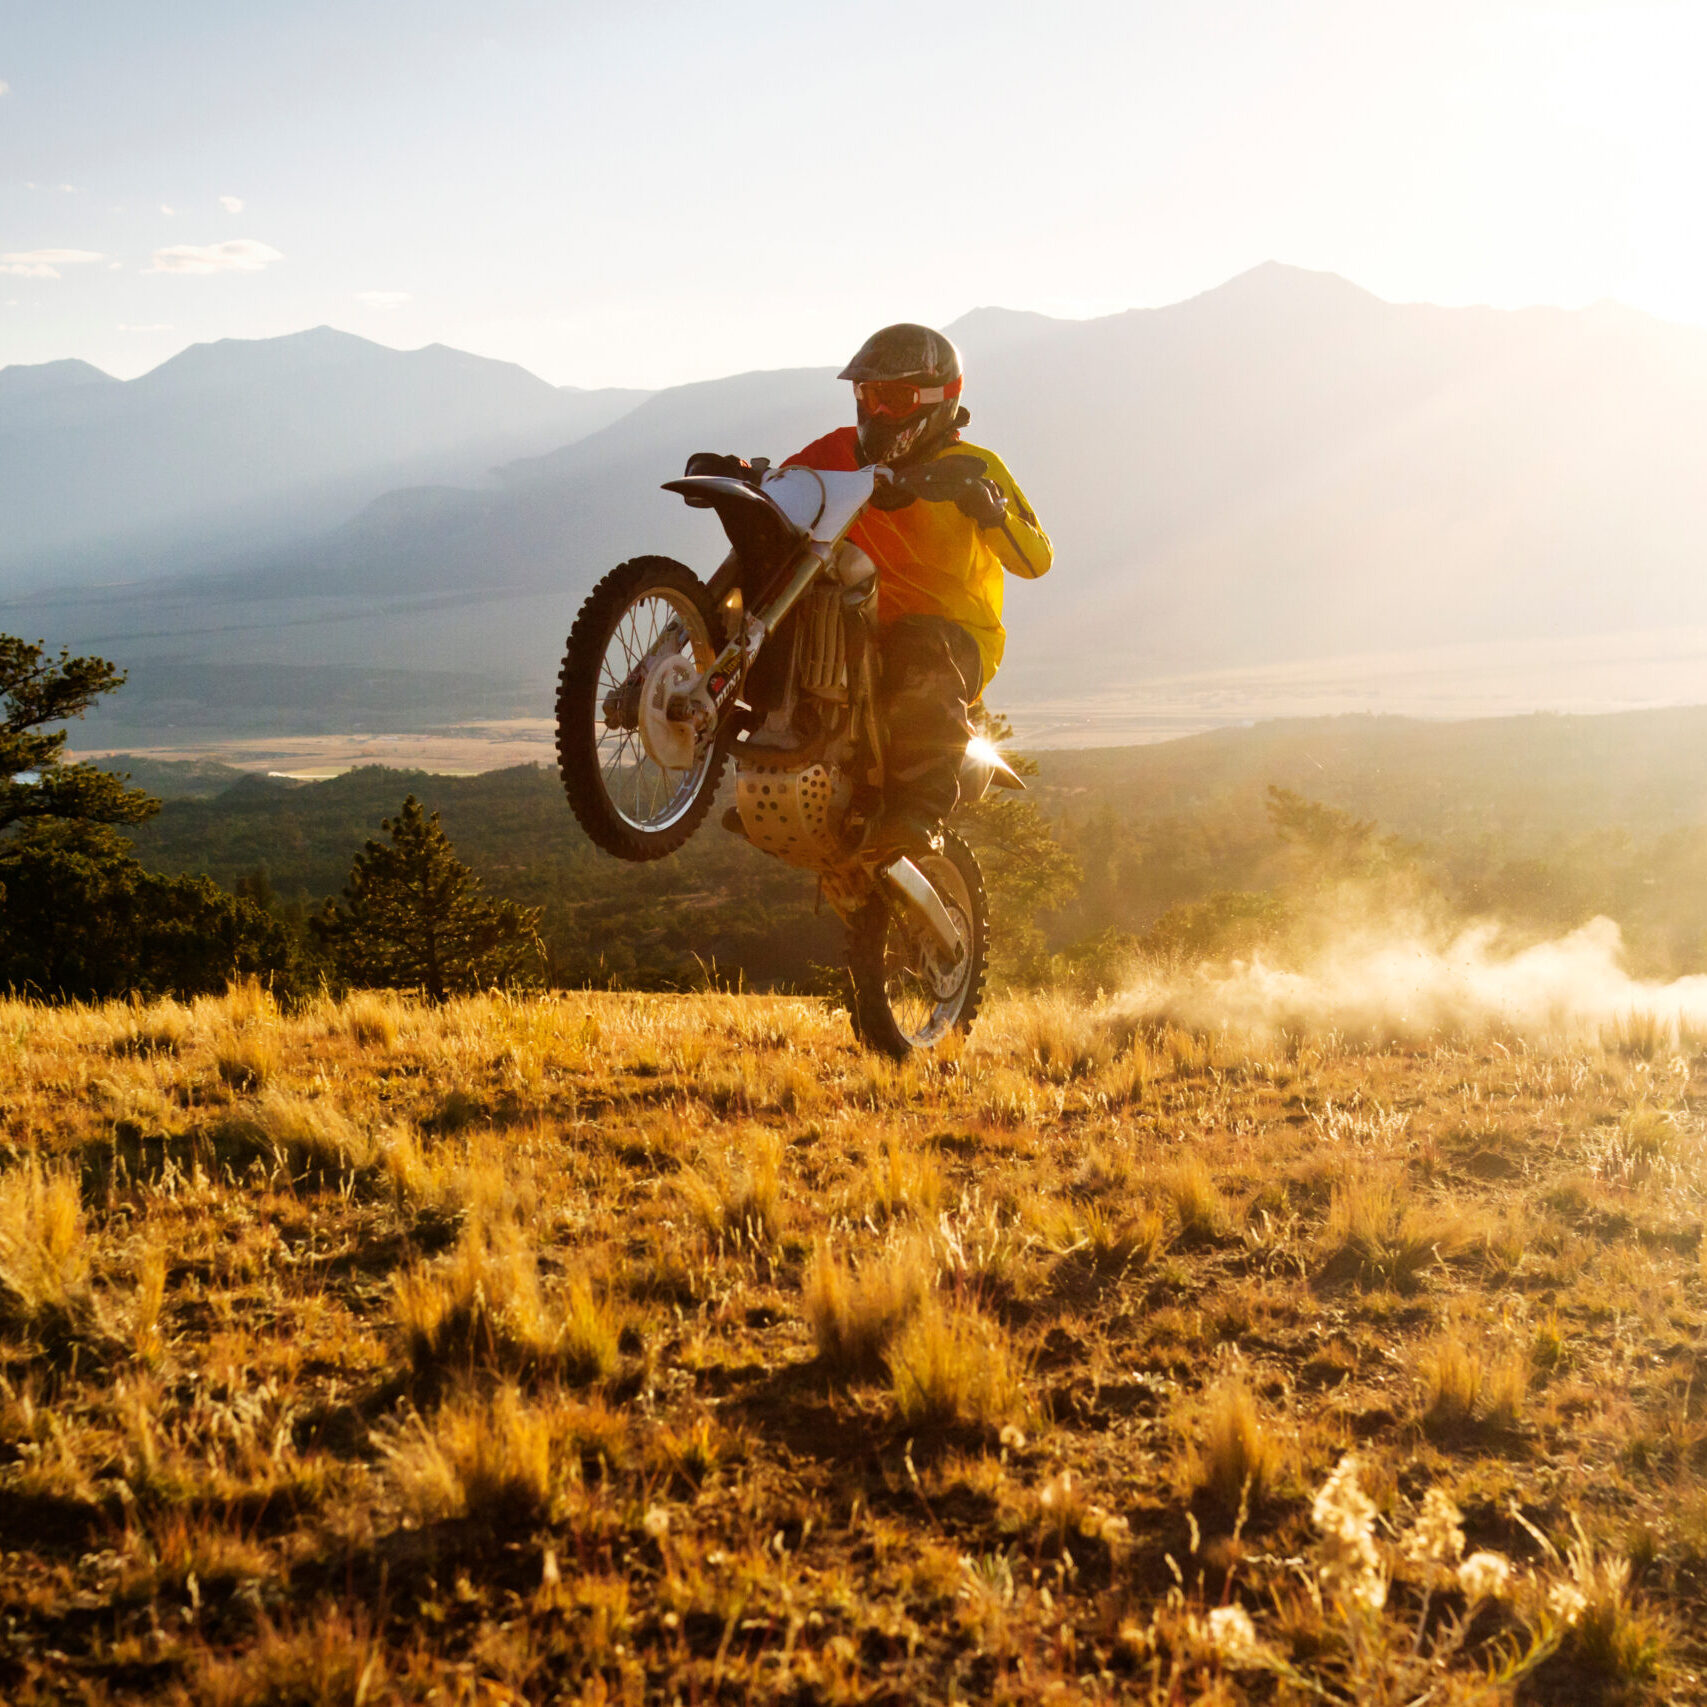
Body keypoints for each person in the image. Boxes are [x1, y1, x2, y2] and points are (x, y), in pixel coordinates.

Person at [783, 323, 1052, 858]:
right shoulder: (836, 450)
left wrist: (993, 514)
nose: (879, 411)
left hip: (957, 636)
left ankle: (918, 811)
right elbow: (786, 488)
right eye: (869, 395)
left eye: (896, 398)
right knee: (792, 622)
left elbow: (1036, 560)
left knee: (918, 644)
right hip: (857, 618)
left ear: (939, 399)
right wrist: (747, 474)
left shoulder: (975, 466)